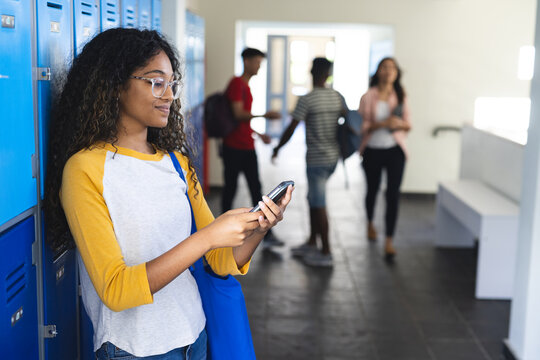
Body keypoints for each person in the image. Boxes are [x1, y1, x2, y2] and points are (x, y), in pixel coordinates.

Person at [44, 28, 293, 359]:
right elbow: (115, 289)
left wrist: (258, 227)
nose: (170, 95)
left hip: (195, 337)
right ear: (116, 85)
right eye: (155, 82)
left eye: (172, 84)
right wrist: (206, 238)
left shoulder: (176, 162)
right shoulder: (85, 169)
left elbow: (220, 259)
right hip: (135, 350)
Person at [272, 58, 346, 267]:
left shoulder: (308, 99)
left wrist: (277, 148)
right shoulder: (337, 97)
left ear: (312, 72)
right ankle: (312, 242)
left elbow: (291, 127)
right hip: (333, 157)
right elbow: (348, 120)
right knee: (313, 198)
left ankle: (326, 251)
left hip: (317, 159)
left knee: (319, 202)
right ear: (328, 74)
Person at [221, 47, 284, 248]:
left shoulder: (244, 86)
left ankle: (266, 233)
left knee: (256, 188)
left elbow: (242, 121)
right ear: (247, 61)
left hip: (245, 144)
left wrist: (257, 133)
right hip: (234, 146)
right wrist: (265, 116)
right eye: (257, 62)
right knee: (230, 189)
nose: (259, 66)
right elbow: (238, 115)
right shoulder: (236, 84)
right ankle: (221, 231)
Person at [357, 57, 411, 261]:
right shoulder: (368, 96)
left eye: (392, 68)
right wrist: (381, 124)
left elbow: (409, 124)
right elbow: (361, 126)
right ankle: (370, 222)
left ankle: (389, 239)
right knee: (372, 189)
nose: (388, 71)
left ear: (397, 73)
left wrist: (398, 124)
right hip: (372, 149)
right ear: (378, 71)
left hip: (395, 150)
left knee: (393, 194)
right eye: (385, 67)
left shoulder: (401, 96)